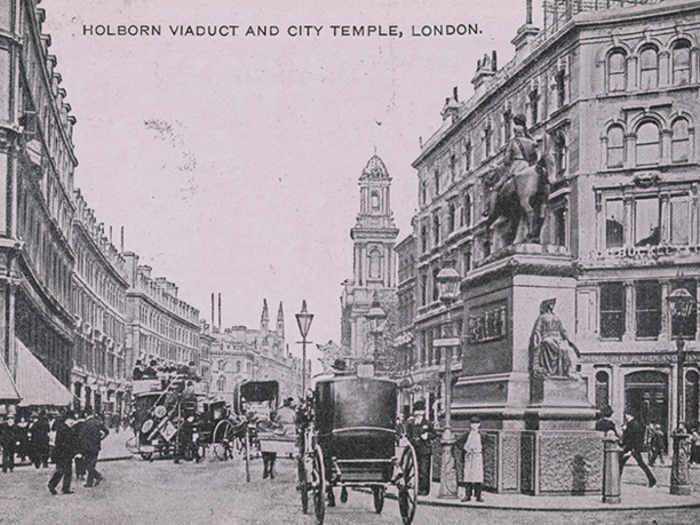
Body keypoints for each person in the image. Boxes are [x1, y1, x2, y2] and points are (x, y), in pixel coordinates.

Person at [529, 298, 580, 378]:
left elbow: (563, 330)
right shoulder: (542, 317)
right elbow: (537, 330)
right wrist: (536, 339)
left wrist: (570, 341)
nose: (552, 306)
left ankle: (562, 372)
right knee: (548, 343)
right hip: (547, 336)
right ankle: (549, 370)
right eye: (550, 304)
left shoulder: (556, 318)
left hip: (558, 338)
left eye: (553, 304)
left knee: (564, 349)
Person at [405, 400, 437, 496]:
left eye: (420, 411)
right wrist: (412, 440)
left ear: (423, 412)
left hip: (425, 449)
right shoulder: (411, 424)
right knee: (417, 469)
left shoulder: (427, 423)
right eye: (416, 411)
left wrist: (427, 435)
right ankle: (418, 488)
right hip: (415, 449)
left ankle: (424, 490)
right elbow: (408, 435)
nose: (418, 413)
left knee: (424, 470)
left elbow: (434, 434)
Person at [619, 413, 656, 488]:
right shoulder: (634, 423)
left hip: (631, 448)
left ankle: (652, 479)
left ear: (629, 415)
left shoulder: (632, 424)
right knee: (639, 463)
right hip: (633, 448)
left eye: (626, 415)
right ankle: (652, 479)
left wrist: (629, 449)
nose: (625, 416)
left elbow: (631, 438)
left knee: (621, 462)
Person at [48, 411, 80, 495]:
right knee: (62, 471)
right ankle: (53, 485)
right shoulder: (65, 428)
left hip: (63, 453)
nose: (73, 422)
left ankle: (64, 488)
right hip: (63, 453)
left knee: (66, 471)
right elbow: (65, 443)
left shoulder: (64, 427)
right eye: (72, 420)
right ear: (68, 420)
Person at [454, 416, 485, 502]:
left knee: (478, 476)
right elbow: (458, 442)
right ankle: (468, 495)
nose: (474, 426)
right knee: (468, 476)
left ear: (479, 424)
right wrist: (465, 448)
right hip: (468, 456)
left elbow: (488, 443)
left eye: (476, 424)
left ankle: (478, 495)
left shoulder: (482, 435)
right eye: (472, 424)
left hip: (478, 456)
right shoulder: (467, 434)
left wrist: (482, 449)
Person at [82, 407, 109, 488]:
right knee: (92, 464)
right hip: (96, 446)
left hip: (87, 446)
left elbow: (82, 436)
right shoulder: (97, 422)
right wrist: (101, 438)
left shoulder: (86, 423)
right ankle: (89, 483)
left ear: (86, 414)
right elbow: (107, 432)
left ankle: (98, 476)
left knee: (86, 464)